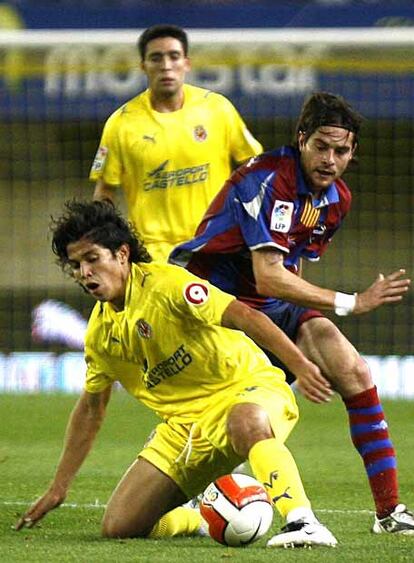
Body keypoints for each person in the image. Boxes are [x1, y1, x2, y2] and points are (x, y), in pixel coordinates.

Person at [16, 200, 337, 548]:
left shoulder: (168, 286)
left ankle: (302, 522)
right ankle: (199, 517)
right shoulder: (100, 335)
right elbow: (92, 409)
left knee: (246, 421)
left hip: (246, 390)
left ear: (122, 254)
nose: (84, 272)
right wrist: (58, 488)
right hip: (185, 429)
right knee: (120, 525)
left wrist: (300, 365)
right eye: (76, 265)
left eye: (92, 259)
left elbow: (246, 316)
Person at [170, 91, 414, 535]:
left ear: (352, 152)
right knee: (240, 419)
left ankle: (390, 513)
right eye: (321, 145)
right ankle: (190, 482)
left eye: (341, 150)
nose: (330, 159)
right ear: (301, 139)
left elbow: (290, 266)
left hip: (270, 307)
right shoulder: (264, 180)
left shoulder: (337, 200)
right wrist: (350, 302)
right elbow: (268, 276)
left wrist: (302, 338)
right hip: (214, 308)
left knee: (354, 371)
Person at [31, 23, 263, 347]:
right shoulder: (122, 123)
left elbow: (255, 168)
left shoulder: (217, 109)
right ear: (144, 66)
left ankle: (81, 336)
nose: (166, 65)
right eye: (156, 58)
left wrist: (258, 229)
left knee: (219, 341)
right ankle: (91, 341)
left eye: (173, 56)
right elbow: (105, 193)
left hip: (215, 247)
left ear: (187, 62)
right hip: (156, 253)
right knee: (172, 341)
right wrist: (104, 248)